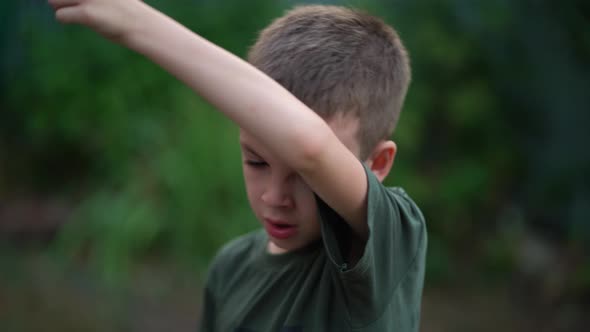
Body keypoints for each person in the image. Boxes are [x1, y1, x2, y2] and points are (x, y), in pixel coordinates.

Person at [48, 0, 427, 331]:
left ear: (377, 163)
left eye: (307, 176)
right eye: (256, 161)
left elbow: (310, 143)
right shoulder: (230, 268)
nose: (275, 196)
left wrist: (136, 23)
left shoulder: (389, 245)